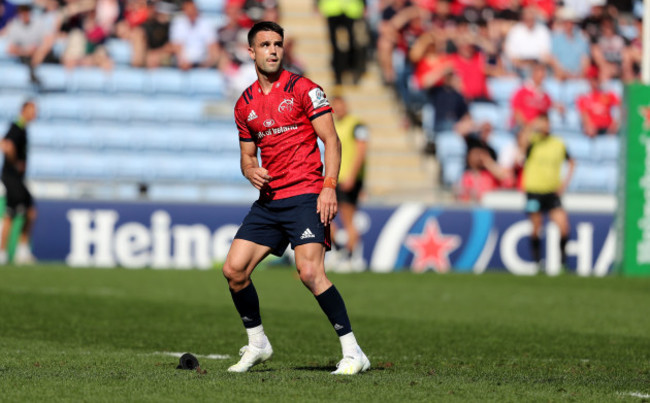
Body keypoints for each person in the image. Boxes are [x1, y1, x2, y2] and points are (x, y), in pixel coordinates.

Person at [223, 21, 370, 375]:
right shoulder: (244, 104)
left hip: (306, 194)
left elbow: (331, 141)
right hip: (270, 199)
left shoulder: (305, 89)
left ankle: (354, 352)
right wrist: (249, 170)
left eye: (277, 44)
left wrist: (329, 185)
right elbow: (247, 156)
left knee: (309, 272)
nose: (273, 50)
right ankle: (257, 343)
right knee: (234, 270)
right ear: (251, 52)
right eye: (265, 45)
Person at [520, 113, 575, 269]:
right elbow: (522, 144)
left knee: (563, 226)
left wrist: (564, 183)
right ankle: (537, 263)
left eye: (546, 123)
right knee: (537, 227)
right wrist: (532, 125)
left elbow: (572, 162)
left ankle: (563, 263)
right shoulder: (533, 142)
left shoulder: (558, 143)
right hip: (534, 191)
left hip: (552, 192)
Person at [330, 95, 368, 270]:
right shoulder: (333, 125)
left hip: (348, 179)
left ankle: (351, 257)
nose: (338, 109)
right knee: (325, 217)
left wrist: (352, 175)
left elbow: (361, 151)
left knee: (348, 219)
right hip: (334, 178)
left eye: (340, 105)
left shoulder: (356, 125)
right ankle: (340, 250)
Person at [0, 101, 38, 265]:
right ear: (23, 110)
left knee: (30, 211)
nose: (34, 113)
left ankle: (22, 250)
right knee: (10, 215)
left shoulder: (22, 128)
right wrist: (15, 162)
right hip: (12, 178)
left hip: (17, 179)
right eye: (32, 110)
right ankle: (3, 253)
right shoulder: (17, 127)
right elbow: (6, 145)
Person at [576, 67, 620, 136]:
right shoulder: (584, 97)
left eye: (596, 78)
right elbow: (584, 114)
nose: (594, 81)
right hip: (593, 130)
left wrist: (615, 123)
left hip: (608, 128)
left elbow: (620, 107)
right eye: (592, 79)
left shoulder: (608, 94)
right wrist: (588, 125)